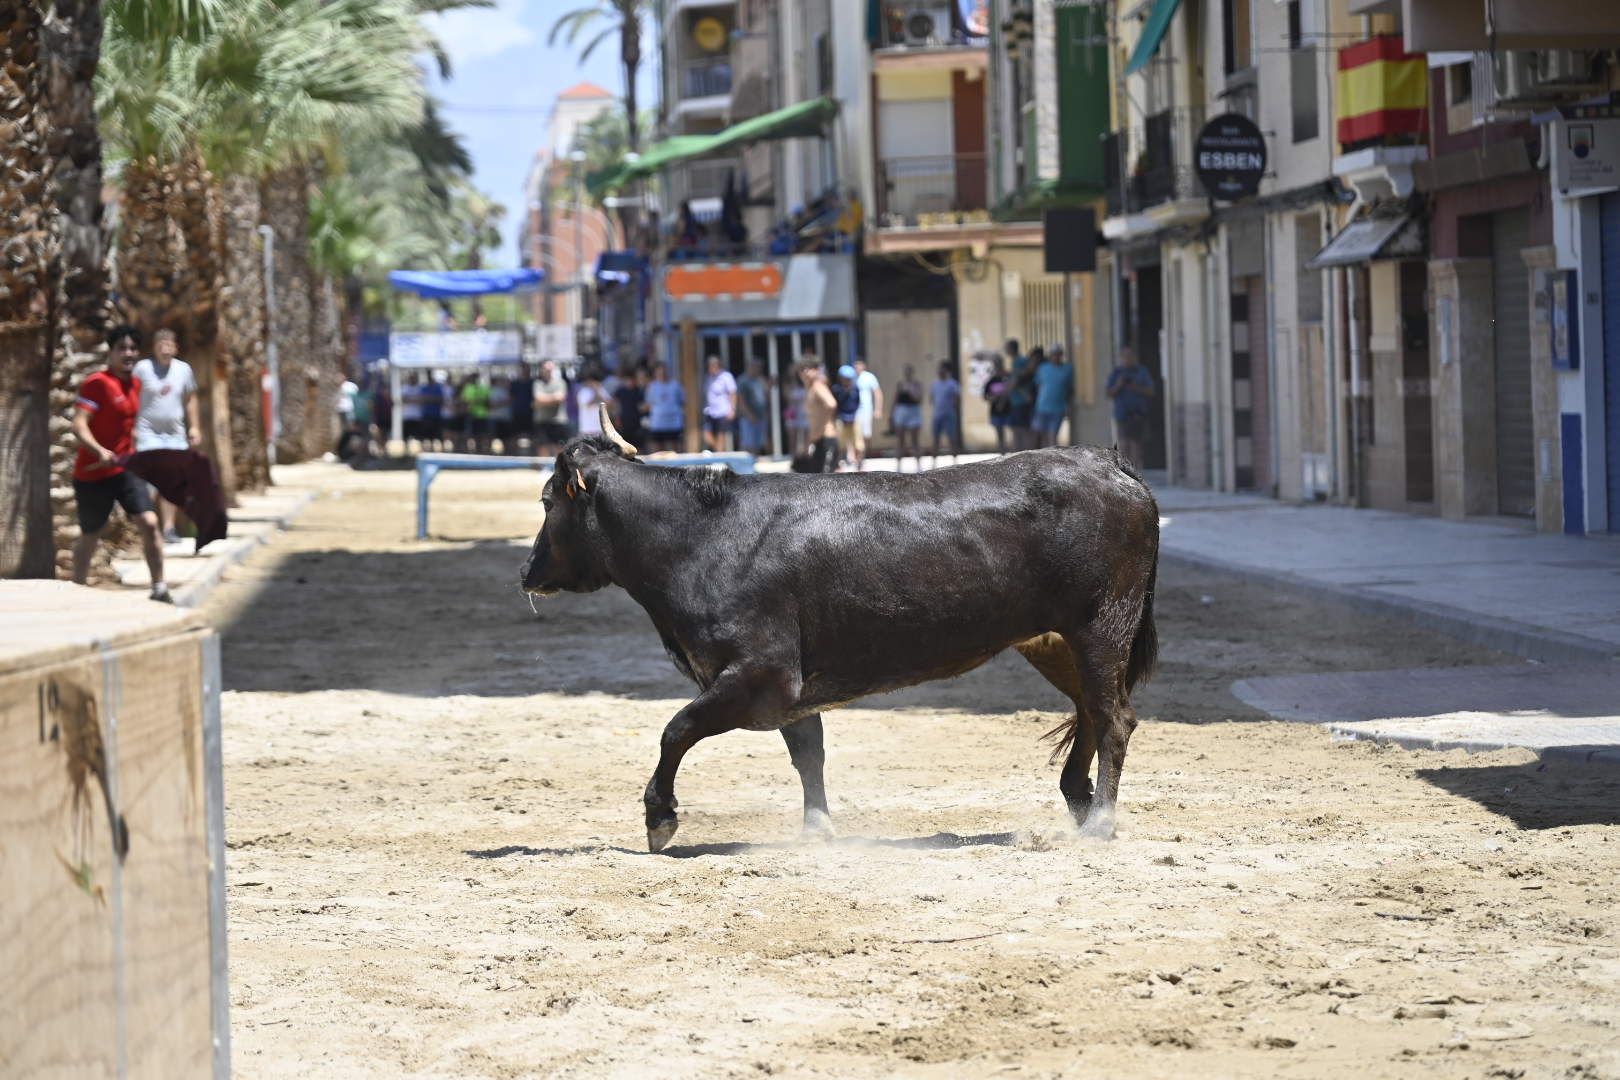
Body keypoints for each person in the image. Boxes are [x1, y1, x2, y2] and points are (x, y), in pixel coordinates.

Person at [71, 325, 170, 602]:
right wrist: (99, 450)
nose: (128, 354)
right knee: (91, 534)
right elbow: (79, 426)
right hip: (92, 474)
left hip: (125, 470)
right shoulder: (97, 383)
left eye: (133, 349)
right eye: (122, 348)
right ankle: (75, 589)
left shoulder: (135, 385)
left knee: (149, 523)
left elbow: (130, 425)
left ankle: (159, 588)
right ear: (111, 352)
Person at [131, 328, 200, 543]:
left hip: (175, 434)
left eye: (170, 345)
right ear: (155, 348)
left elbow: (191, 399)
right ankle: (148, 529)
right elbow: (131, 395)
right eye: (162, 345)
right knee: (150, 483)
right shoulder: (142, 369)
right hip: (147, 433)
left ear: (175, 347)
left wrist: (194, 427)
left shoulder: (183, 370)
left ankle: (168, 529)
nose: (166, 349)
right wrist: (130, 426)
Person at [1106, 345, 1156, 468]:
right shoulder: (1116, 373)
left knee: (1136, 446)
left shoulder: (1141, 372)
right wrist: (1119, 384)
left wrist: (1135, 387)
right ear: (1120, 358)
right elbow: (1109, 394)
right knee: (1123, 446)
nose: (1127, 359)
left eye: (1130, 356)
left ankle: (1135, 472)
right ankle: (1125, 473)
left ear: (1134, 357)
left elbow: (1151, 391)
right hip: (1122, 414)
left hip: (1137, 415)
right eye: (1124, 356)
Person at [795, 356, 840, 473]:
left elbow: (831, 404)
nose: (805, 372)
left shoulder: (818, 386)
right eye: (802, 369)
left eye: (809, 369)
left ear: (816, 370)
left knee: (826, 481)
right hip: (818, 440)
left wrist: (821, 427)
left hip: (827, 438)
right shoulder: (810, 389)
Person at [1032, 344, 1075, 449]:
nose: (1056, 357)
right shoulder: (1043, 368)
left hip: (1058, 408)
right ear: (1050, 356)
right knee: (1038, 435)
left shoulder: (1068, 369)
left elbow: (1070, 389)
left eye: (1058, 355)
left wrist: (1069, 405)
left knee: (1052, 437)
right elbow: (1038, 385)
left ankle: (1050, 459)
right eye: (1054, 355)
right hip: (1042, 407)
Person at [644, 361, 685, 452]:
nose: (662, 374)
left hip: (673, 423)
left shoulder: (675, 385)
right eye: (659, 372)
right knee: (659, 450)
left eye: (663, 371)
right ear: (656, 373)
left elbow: (682, 401)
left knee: (675, 448)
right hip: (658, 423)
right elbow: (648, 404)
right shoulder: (652, 386)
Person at [891, 362, 924, 472]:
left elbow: (919, 400)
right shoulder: (900, 384)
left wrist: (910, 391)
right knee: (900, 440)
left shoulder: (917, 384)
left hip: (913, 411)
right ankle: (898, 466)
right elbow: (895, 400)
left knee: (915, 440)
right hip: (902, 411)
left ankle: (918, 466)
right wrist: (892, 414)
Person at [532, 359, 570, 455]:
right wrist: (553, 398)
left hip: (558, 420)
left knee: (559, 446)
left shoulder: (561, 382)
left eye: (550, 369)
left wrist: (543, 400)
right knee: (542, 445)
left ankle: (559, 468)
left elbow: (560, 398)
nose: (548, 371)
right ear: (542, 370)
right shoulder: (537, 383)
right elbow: (538, 398)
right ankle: (544, 467)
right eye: (546, 369)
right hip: (542, 420)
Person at [929, 360, 961, 466]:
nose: (939, 370)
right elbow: (932, 398)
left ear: (946, 370)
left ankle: (955, 462)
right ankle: (934, 463)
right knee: (936, 439)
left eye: (941, 368)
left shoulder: (952, 384)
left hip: (949, 415)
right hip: (937, 415)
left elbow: (956, 399)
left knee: (952, 438)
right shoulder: (935, 384)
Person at [702, 355, 737, 452]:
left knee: (721, 435)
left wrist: (732, 409)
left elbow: (732, 393)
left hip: (723, 411)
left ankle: (719, 456)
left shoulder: (726, 376)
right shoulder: (707, 377)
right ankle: (718, 452)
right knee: (706, 435)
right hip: (710, 411)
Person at [853, 358, 884, 469]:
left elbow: (877, 393)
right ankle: (857, 458)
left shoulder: (869, 377)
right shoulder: (853, 377)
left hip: (866, 408)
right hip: (855, 409)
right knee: (856, 433)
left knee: (866, 434)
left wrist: (878, 409)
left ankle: (864, 455)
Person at [736, 358, 770, 456]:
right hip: (749, 417)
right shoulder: (743, 381)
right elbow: (741, 401)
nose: (758, 369)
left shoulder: (760, 380)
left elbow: (765, 396)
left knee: (758, 443)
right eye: (756, 367)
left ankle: (754, 464)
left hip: (760, 416)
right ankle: (744, 466)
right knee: (748, 443)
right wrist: (749, 415)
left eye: (759, 368)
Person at [832, 364, 862, 469]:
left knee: (858, 444)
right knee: (840, 445)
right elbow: (836, 405)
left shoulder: (855, 388)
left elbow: (858, 403)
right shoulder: (836, 389)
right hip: (841, 418)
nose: (847, 381)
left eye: (849, 379)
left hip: (853, 418)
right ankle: (839, 465)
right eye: (845, 379)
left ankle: (859, 464)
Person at [983, 353, 1013, 454]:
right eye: (996, 363)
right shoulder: (991, 380)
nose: (997, 365)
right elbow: (986, 396)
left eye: (999, 363)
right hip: (996, 411)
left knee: (1012, 433)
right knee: (1000, 434)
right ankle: (1002, 454)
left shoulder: (1009, 376)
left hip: (1009, 410)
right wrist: (994, 399)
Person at [613, 364, 647, 451]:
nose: (630, 382)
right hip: (624, 422)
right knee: (624, 446)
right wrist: (617, 418)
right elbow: (616, 405)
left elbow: (642, 406)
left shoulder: (638, 391)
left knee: (638, 446)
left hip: (636, 422)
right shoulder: (620, 391)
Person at [459, 374, 490, 452]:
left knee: (481, 434)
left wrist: (474, 402)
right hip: (470, 414)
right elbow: (464, 401)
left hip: (481, 415)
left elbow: (487, 401)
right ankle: (471, 450)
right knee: (470, 434)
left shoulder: (483, 388)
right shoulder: (467, 388)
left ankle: (481, 450)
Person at [510, 362, 535, 453]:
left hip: (530, 412)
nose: (525, 371)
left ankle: (531, 453)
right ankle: (514, 454)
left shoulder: (533, 382)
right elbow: (511, 397)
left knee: (531, 435)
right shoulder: (515, 383)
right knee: (515, 435)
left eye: (526, 369)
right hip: (517, 412)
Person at [575, 368, 607, 437]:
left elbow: (609, 403)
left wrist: (598, 392)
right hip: (587, 430)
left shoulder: (601, 390)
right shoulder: (583, 392)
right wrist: (596, 393)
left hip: (600, 429)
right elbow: (588, 405)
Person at [489, 375, 513, 449]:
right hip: (495, 418)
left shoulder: (508, 391)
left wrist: (504, 402)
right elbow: (491, 404)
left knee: (507, 439)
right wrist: (505, 402)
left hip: (506, 418)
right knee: (494, 438)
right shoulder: (493, 391)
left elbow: (511, 401)